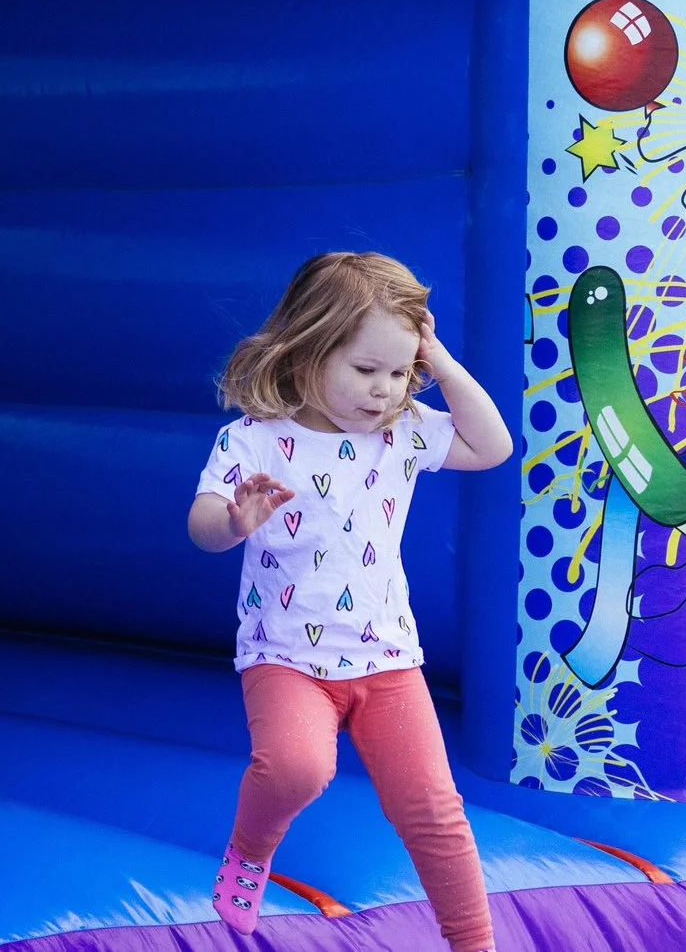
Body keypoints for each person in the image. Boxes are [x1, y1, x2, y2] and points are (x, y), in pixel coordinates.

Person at [188, 252, 511, 950]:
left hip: (386, 653)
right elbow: (202, 523)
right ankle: (248, 852)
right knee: (299, 767)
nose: (384, 389)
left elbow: (493, 445)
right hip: (286, 653)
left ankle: (475, 942)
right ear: (308, 352)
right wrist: (234, 521)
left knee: (434, 807)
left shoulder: (404, 429)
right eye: (366, 370)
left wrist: (440, 360)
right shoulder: (254, 437)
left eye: (399, 372)